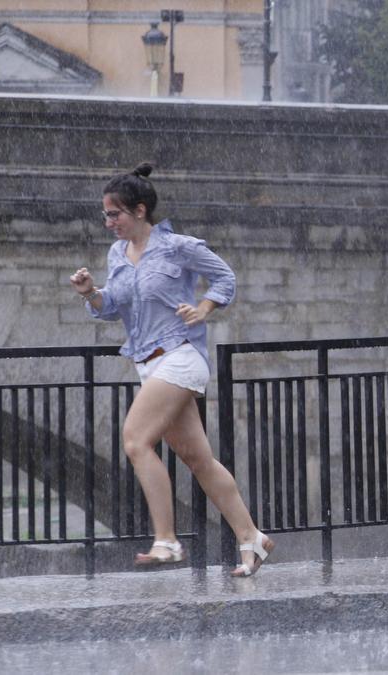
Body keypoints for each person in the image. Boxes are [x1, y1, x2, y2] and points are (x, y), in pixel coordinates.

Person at [69, 163, 274, 576]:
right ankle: (253, 538)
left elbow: (224, 279)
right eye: (105, 215)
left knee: (135, 440)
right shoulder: (118, 254)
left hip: (179, 355)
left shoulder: (178, 246)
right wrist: (91, 294)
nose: (109, 222)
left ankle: (167, 541)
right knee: (200, 460)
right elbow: (114, 308)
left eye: (115, 214)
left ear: (140, 211)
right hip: (149, 362)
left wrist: (202, 308)